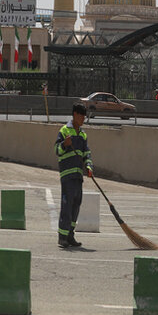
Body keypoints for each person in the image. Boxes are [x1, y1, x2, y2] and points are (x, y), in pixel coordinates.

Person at [55, 102, 93, 248]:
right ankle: (62, 237)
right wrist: (64, 144)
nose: (84, 118)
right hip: (67, 175)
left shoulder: (83, 135)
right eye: (82, 116)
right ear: (75, 115)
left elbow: (86, 153)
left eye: (85, 116)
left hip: (78, 176)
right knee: (67, 205)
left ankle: (70, 235)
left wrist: (89, 166)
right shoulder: (64, 131)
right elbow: (57, 150)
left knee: (76, 205)